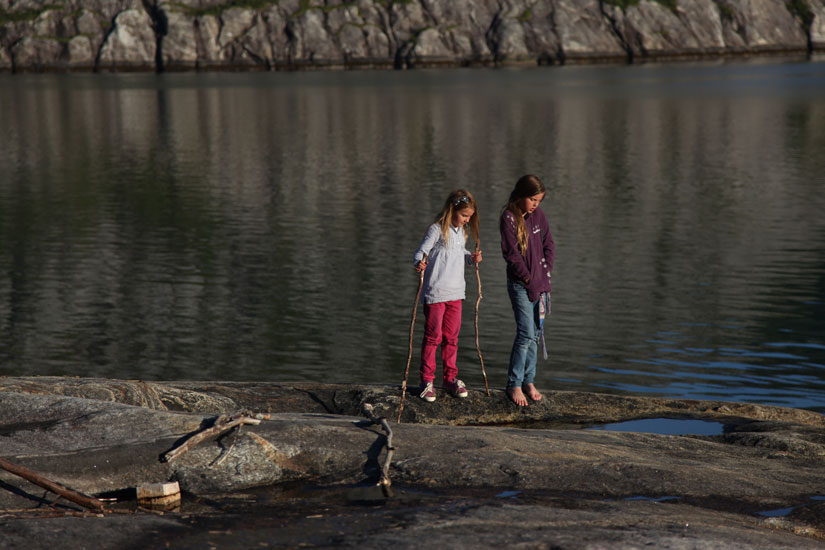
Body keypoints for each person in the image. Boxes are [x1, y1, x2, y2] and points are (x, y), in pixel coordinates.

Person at [413, 189, 483, 402]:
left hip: (456, 292)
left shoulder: (462, 233)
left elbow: (458, 254)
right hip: (436, 292)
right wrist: (419, 262)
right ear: (452, 210)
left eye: (469, 216)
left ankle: (450, 378)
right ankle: (427, 380)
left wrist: (470, 258)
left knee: (451, 338)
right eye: (464, 215)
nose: (467, 220)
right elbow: (420, 252)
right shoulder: (436, 230)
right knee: (433, 337)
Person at [500, 174, 554, 406]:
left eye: (539, 201)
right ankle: (514, 383)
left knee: (535, 334)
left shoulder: (538, 216)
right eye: (533, 199)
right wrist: (528, 277)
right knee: (525, 333)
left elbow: (548, 244)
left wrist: (544, 271)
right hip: (520, 285)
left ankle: (528, 380)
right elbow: (511, 255)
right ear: (522, 195)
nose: (535, 205)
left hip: (540, 285)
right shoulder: (509, 218)